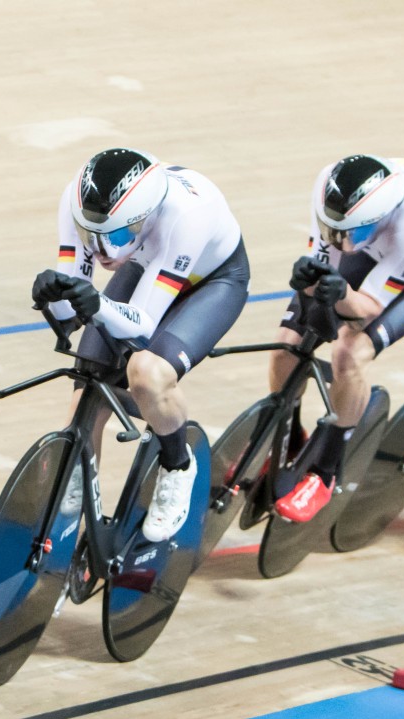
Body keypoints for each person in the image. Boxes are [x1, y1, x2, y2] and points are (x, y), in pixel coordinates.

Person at [31, 147, 250, 541]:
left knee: (147, 374)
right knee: (89, 380)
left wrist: (95, 304)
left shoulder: (186, 216)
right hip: (148, 263)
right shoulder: (80, 205)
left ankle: (178, 465)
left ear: (142, 218)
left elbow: (141, 328)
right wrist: (54, 294)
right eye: (91, 237)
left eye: (116, 236)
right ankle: (77, 486)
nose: (102, 252)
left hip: (212, 282)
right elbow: (67, 314)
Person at [272, 155, 404, 522]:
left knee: (350, 353)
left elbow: (368, 307)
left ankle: (325, 472)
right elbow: (328, 254)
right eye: (333, 228)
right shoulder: (329, 192)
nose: (341, 239)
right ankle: (288, 437)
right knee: (287, 343)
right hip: (379, 240)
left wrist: (340, 295)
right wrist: (316, 281)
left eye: (352, 232)